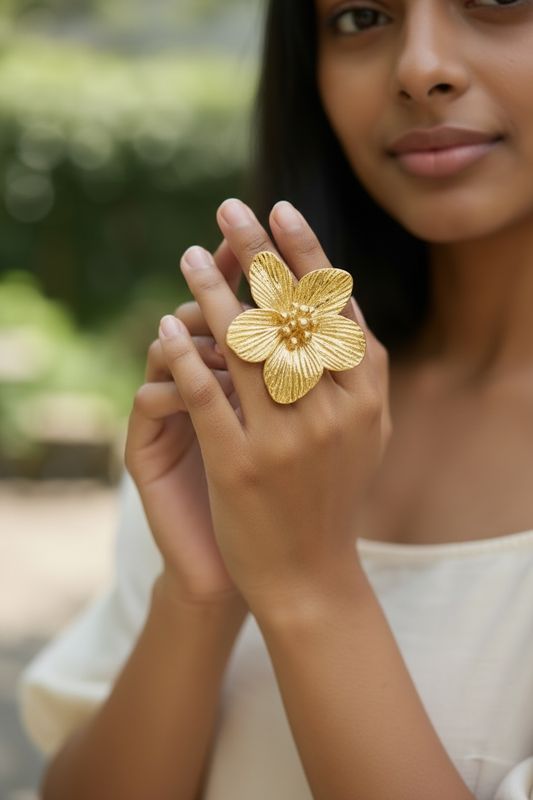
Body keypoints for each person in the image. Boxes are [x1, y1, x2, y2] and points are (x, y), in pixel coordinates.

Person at [18, 0, 533, 798]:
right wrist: (199, 595)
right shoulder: (262, 418)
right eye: (361, 16)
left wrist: (308, 586)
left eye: (498, 0)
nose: (418, 68)